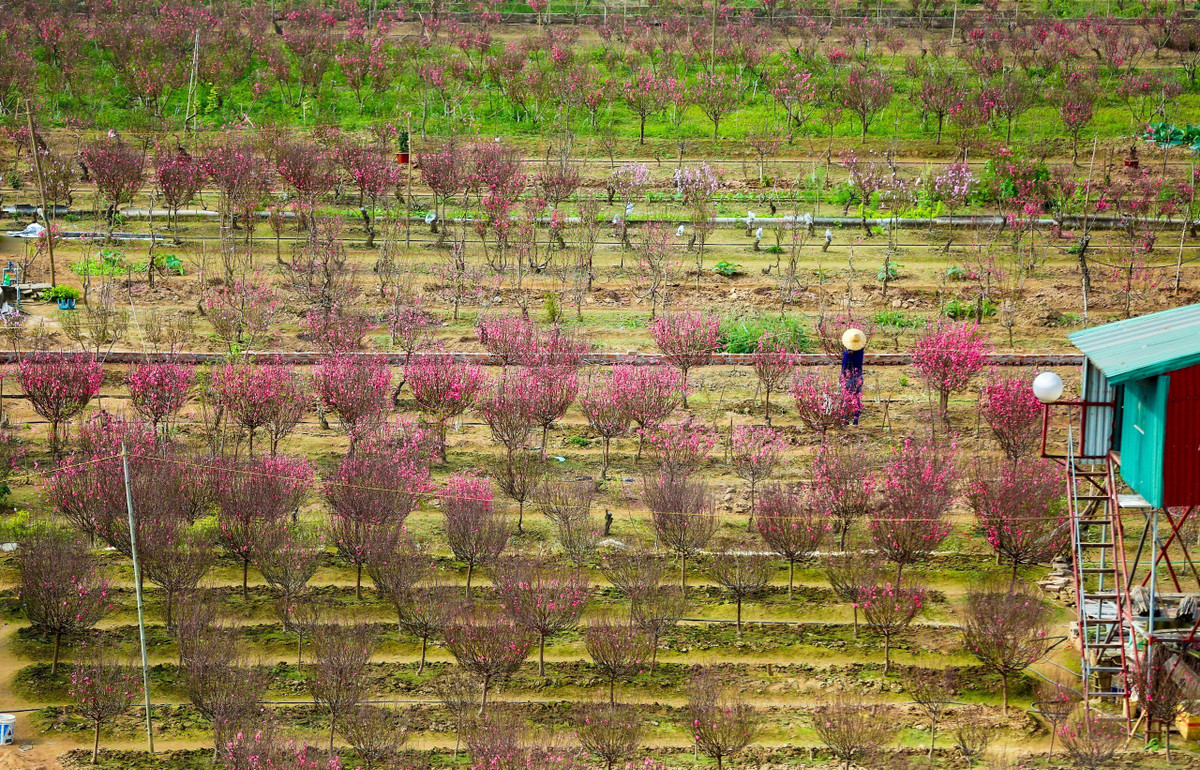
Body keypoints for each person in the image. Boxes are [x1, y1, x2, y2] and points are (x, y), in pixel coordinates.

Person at [840, 328, 866, 425]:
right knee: (857, 398)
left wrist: (841, 379)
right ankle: (855, 420)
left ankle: (846, 419)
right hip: (859, 377)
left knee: (847, 398)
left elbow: (844, 367)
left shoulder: (847, 354)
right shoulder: (861, 351)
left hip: (849, 378)